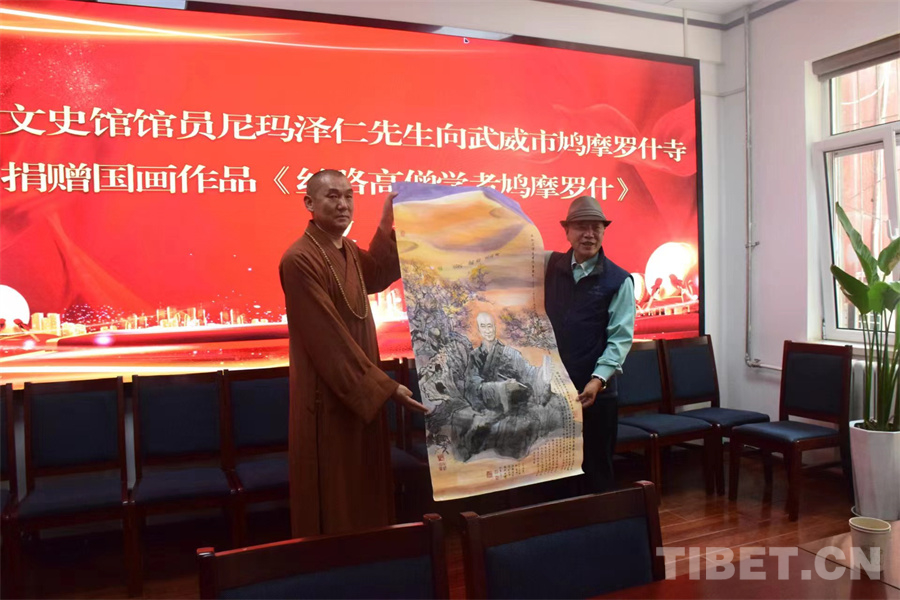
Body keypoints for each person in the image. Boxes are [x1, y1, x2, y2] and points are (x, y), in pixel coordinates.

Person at [279, 169, 427, 537]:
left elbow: (377, 273)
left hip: (362, 389)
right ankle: (335, 565)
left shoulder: (346, 250)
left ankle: (372, 558)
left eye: (348, 195)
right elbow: (327, 340)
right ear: (309, 203)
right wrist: (385, 386)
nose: (343, 204)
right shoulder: (299, 259)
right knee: (336, 494)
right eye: (332, 196)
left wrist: (386, 222)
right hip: (328, 395)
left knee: (366, 484)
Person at [544, 195, 635, 493]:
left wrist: (599, 379)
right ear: (567, 231)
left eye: (596, 227)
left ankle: (602, 521)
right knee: (554, 468)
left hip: (595, 392)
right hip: (551, 391)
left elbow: (620, 338)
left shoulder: (618, 280)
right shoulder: (548, 266)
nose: (589, 234)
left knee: (596, 468)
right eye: (581, 227)